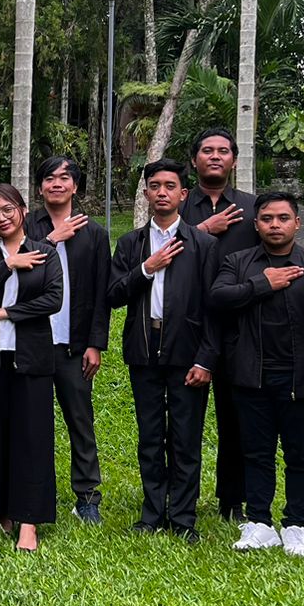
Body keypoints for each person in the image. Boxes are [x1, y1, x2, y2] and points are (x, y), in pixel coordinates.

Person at [208, 192, 304, 557]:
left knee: (300, 453)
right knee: (255, 452)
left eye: (283, 218)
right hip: (251, 374)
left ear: (297, 223)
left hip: (299, 377)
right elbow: (217, 298)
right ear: (256, 224)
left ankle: (296, 524)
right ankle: (259, 522)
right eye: (266, 219)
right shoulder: (237, 261)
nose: (275, 225)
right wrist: (263, 283)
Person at [106, 159, 220, 542]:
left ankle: (183, 518)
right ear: (145, 193)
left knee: (186, 437)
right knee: (151, 436)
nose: (162, 193)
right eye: (154, 186)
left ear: (183, 194)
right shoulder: (131, 243)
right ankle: (152, 513)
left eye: (170, 186)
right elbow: (113, 294)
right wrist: (146, 268)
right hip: (144, 347)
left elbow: (214, 309)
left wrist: (206, 359)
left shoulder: (203, 245)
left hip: (187, 350)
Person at [0, 184, 64, 553]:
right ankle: (3, 510)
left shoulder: (45, 252)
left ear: (22, 209)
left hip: (31, 358)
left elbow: (53, 299)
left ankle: (29, 522)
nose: (1, 218)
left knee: (32, 438)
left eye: (7, 210)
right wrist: (8, 265)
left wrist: (8, 313)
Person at [24, 156, 111, 524]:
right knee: (31, 421)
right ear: (40, 186)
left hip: (74, 345)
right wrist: (49, 241)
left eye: (64, 178)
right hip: (31, 341)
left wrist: (95, 343)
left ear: (75, 186)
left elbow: (101, 293)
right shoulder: (27, 226)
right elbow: (13, 268)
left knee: (80, 420)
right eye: (49, 178)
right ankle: (31, 492)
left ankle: (88, 496)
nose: (56, 183)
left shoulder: (94, 234)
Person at [179, 127, 258, 523]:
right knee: (184, 420)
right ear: (194, 159)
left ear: (234, 160)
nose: (215, 156)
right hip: (187, 325)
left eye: (223, 151)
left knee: (236, 419)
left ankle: (232, 500)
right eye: (207, 150)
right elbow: (155, 249)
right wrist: (202, 231)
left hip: (238, 326)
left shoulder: (252, 207)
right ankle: (181, 498)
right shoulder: (178, 205)